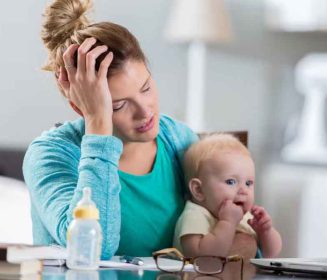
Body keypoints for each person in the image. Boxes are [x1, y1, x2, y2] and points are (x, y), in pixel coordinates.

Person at [23, 0, 199, 259]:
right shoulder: (50, 155)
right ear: (80, 106)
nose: (145, 111)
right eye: (118, 105)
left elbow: (242, 241)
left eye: (146, 87)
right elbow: (92, 250)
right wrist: (97, 123)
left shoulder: (178, 139)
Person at [173, 134, 282, 258]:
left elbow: (271, 253)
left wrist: (265, 231)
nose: (243, 191)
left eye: (248, 183)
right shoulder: (195, 215)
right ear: (199, 190)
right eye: (231, 182)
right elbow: (201, 257)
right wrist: (227, 223)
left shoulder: (244, 217)